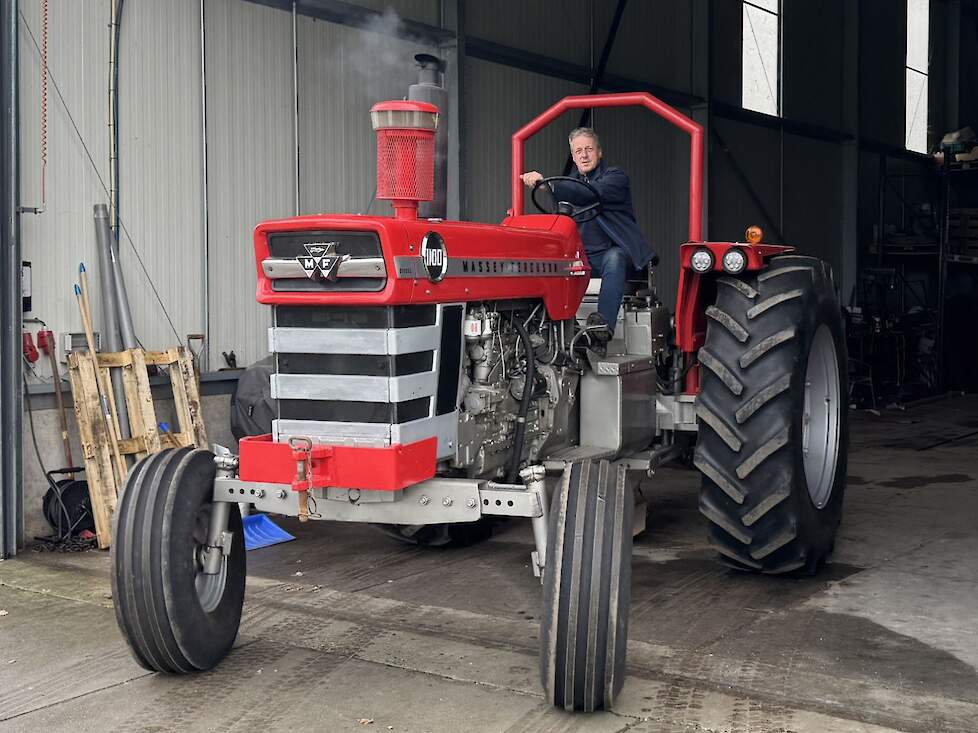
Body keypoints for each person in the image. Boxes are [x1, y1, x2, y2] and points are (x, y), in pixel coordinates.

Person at [520, 127, 655, 342]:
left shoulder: (615, 178)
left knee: (615, 257)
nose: (584, 155)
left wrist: (549, 185)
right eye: (578, 151)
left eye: (589, 149)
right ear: (573, 157)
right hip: (581, 258)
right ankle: (553, 333)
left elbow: (590, 194)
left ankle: (602, 328)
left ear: (599, 152)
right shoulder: (570, 185)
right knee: (544, 263)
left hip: (610, 256)